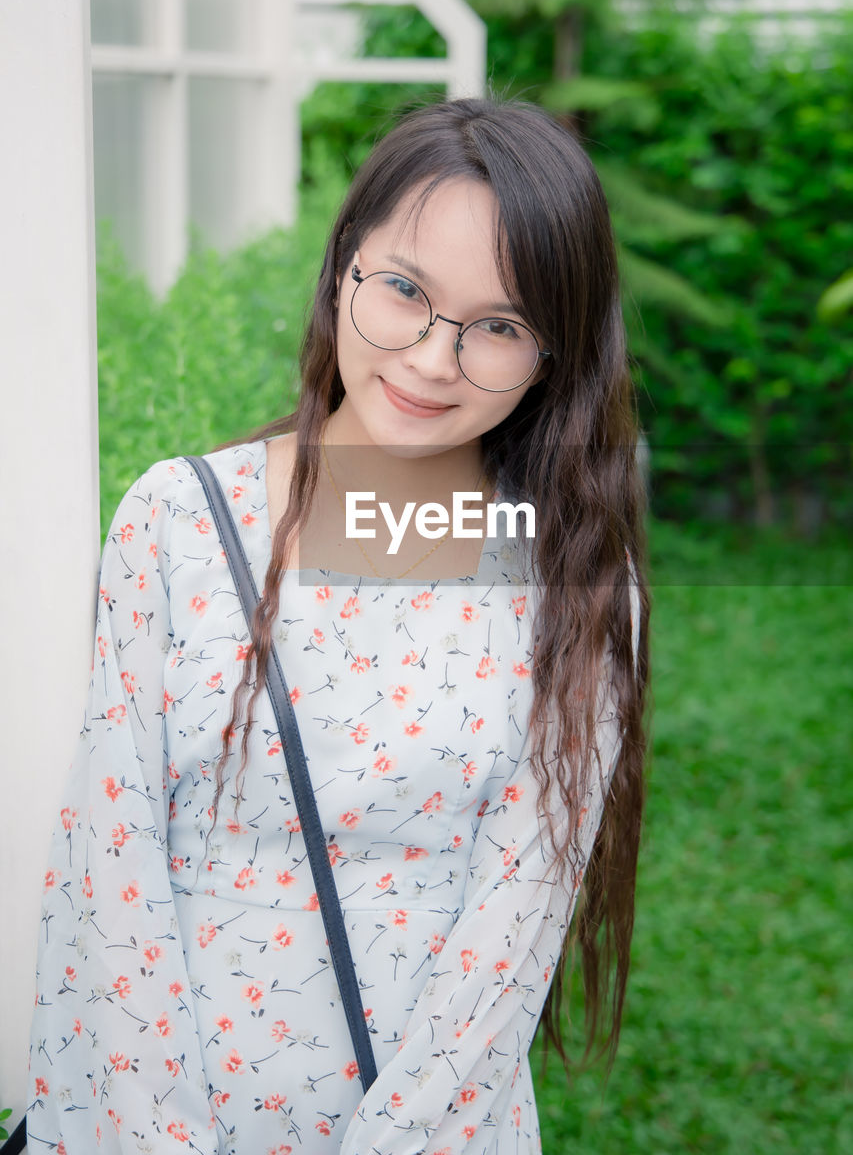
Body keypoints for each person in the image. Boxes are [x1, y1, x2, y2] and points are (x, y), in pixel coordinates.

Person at [27, 97, 649, 1154]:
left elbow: (512, 933)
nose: (433, 357)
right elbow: (110, 870)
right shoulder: (177, 522)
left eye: (499, 324)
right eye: (406, 289)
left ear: (554, 355)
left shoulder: (572, 579)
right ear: (343, 265)